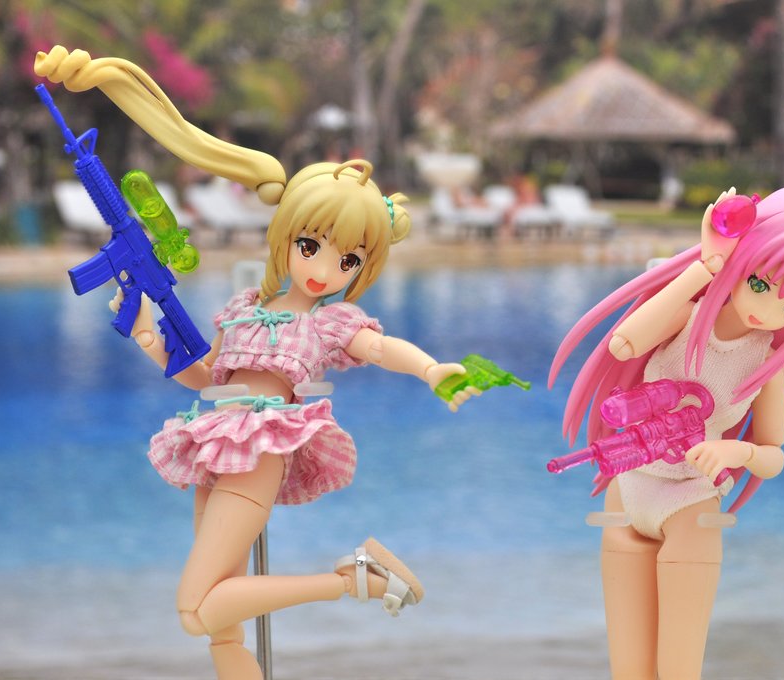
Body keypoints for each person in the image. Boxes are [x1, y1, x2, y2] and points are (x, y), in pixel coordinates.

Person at [34, 46, 477, 680]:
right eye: (311, 246)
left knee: (196, 609)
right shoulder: (245, 307)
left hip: (263, 438)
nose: (324, 269)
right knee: (221, 623)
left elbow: (382, 349)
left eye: (348, 260)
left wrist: (432, 369)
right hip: (213, 434)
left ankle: (354, 578)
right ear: (287, 237)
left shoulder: (329, 322)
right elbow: (207, 375)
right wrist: (149, 336)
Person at [549, 186, 784, 679]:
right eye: (760, 282)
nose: (770, 309)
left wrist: (737, 452)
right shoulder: (686, 320)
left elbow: (774, 454)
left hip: (692, 505)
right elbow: (624, 344)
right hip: (627, 489)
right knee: (628, 669)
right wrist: (708, 266)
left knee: (679, 668)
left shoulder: (766, 369)